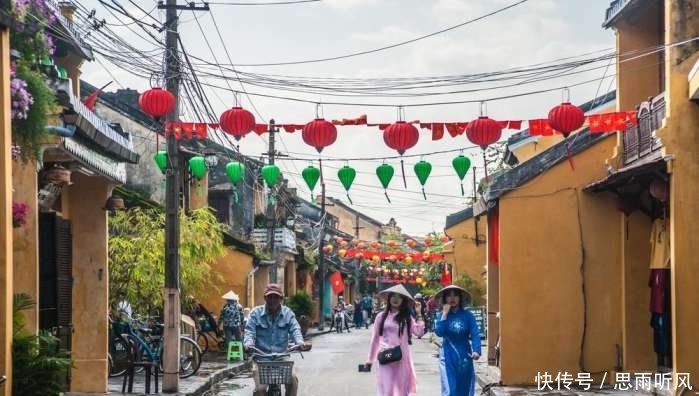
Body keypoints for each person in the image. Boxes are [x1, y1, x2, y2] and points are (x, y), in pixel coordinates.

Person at [244, 284, 311, 396]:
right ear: (265, 298)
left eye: (276, 297)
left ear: (281, 299)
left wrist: (300, 342)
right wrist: (248, 344)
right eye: (270, 297)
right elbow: (249, 331)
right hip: (261, 359)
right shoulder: (255, 313)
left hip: (282, 358)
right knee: (260, 389)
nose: (273, 300)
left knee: (293, 380)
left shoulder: (288, 313)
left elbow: (295, 329)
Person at [365, 284, 424, 396]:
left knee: (401, 391)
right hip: (385, 358)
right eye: (393, 296)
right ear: (389, 298)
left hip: (402, 359)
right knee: (386, 390)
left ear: (403, 301)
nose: (396, 299)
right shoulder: (380, 317)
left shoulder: (407, 318)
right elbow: (375, 339)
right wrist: (370, 359)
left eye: (399, 297)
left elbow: (419, 332)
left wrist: (419, 313)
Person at [434, 284, 481, 396]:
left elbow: (475, 334)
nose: (452, 299)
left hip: (465, 356)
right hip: (447, 356)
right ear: (444, 299)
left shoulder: (468, 316)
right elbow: (439, 332)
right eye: (449, 296)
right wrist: (444, 314)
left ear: (460, 298)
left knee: (464, 387)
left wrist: (476, 350)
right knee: (450, 389)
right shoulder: (441, 315)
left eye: (455, 295)